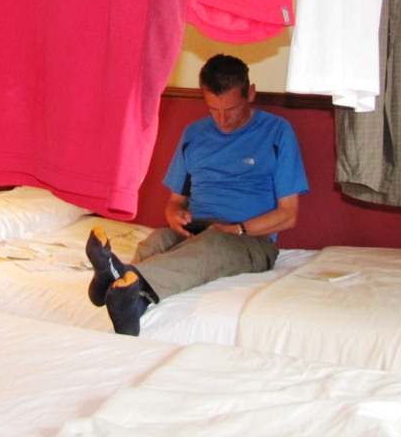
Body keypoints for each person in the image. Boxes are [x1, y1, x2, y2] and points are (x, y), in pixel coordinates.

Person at [86, 53, 310, 335]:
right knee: (158, 240)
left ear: (250, 93)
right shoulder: (194, 134)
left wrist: (237, 229)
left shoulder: (277, 132)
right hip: (197, 230)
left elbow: (289, 215)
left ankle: (113, 280)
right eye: (213, 109)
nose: (222, 120)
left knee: (211, 244)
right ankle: (131, 300)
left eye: (231, 109)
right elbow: (174, 203)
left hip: (250, 239)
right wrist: (175, 216)